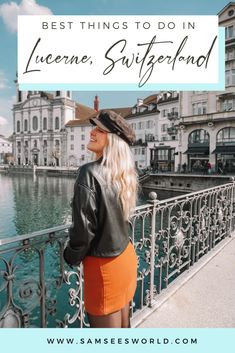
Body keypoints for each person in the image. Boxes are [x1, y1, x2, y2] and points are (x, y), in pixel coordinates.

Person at [63, 110, 138, 328]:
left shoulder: (89, 172)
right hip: (125, 257)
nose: (92, 132)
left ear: (112, 139)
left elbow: (84, 230)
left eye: (99, 129)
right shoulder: (124, 173)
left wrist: (70, 255)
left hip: (104, 267)